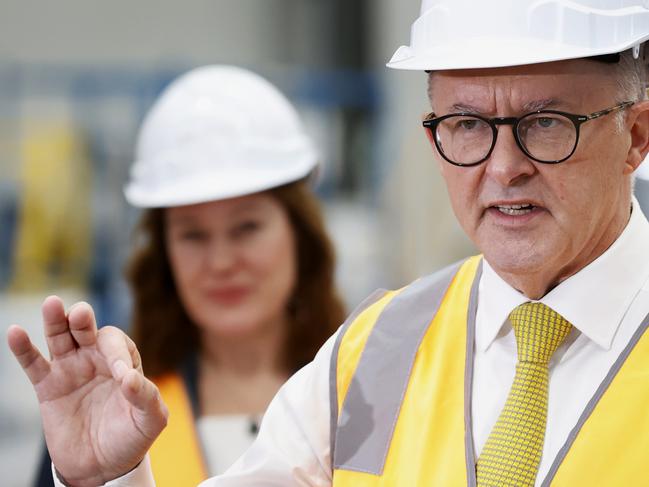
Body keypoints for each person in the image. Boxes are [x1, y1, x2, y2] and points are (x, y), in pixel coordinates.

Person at [9, 0, 649, 485]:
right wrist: (107, 478)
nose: (503, 167)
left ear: (637, 134)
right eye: (466, 124)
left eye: (544, 123)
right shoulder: (378, 351)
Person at [29, 65, 346, 487]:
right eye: (193, 235)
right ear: (165, 254)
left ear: (299, 233)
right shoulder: (112, 408)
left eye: (246, 227)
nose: (220, 261)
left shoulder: (361, 388)